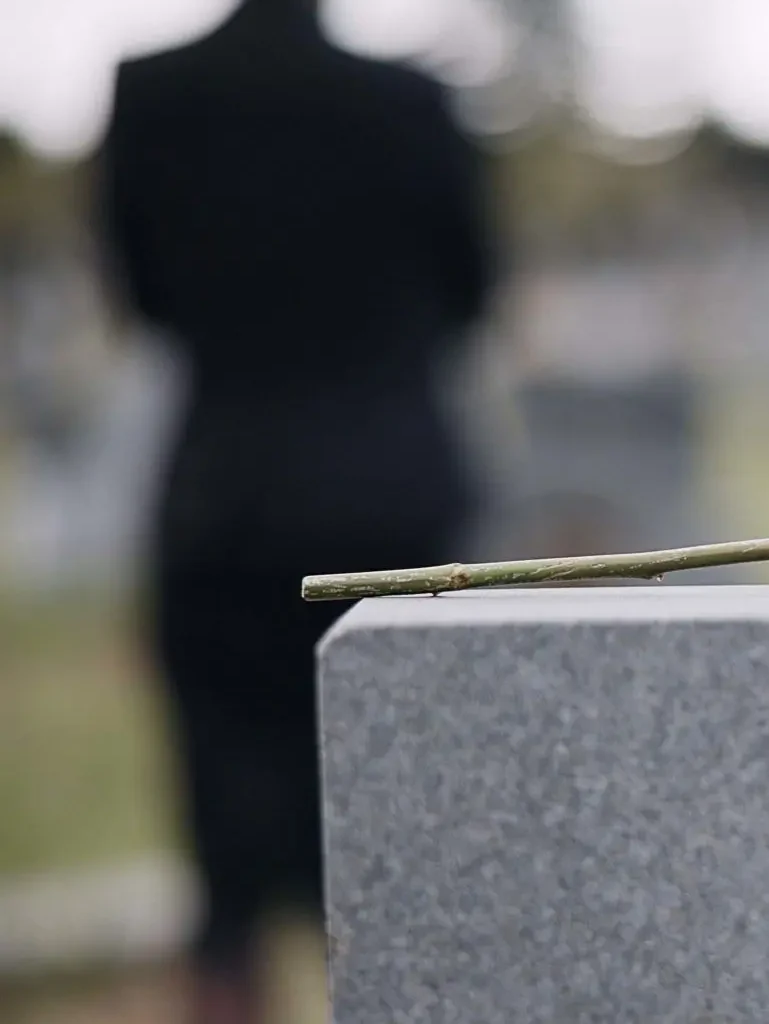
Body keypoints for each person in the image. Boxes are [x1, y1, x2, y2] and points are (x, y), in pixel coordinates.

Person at [92, 0, 496, 1019]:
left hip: (224, 497)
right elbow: (471, 290)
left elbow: (143, 296)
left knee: (225, 880)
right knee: (407, 854)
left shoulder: (154, 93)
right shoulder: (412, 100)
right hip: (392, 501)